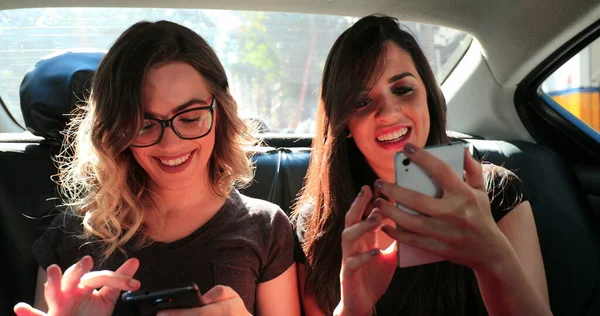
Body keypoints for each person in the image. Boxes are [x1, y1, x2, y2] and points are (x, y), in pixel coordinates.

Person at [14, 20, 300, 316]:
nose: (170, 144)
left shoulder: (265, 226)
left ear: (221, 114)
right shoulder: (70, 231)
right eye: (144, 124)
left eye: (190, 118)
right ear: (116, 130)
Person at [293, 14, 551, 316]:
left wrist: (493, 258)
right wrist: (352, 309)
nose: (388, 112)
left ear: (429, 96)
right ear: (344, 122)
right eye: (362, 102)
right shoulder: (316, 225)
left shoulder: (496, 194)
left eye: (402, 90)